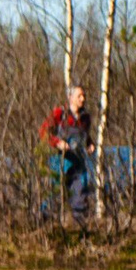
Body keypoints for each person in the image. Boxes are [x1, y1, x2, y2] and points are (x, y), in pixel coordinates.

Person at [39, 84, 93, 227]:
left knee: (80, 193)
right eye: (79, 96)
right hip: (60, 161)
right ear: (70, 98)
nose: (83, 99)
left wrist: (90, 145)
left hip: (79, 162)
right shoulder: (60, 114)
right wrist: (58, 143)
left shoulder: (85, 117)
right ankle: (44, 226)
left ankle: (80, 229)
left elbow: (86, 137)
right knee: (54, 193)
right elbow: (44, 133)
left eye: (84, 96)